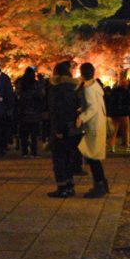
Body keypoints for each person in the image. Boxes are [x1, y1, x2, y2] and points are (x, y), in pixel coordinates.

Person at [46, 60, 81, 198]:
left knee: (59, 158)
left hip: (60, 127)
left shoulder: (56, 89)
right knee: (69, 157)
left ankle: (62, 187)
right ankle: (70, 186)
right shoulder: (74, 88)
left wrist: (58, 130)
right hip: (72, 128)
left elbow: (56, 110)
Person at [76, 62, 109, 198]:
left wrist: (82, 117)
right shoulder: (95, 85)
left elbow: (93, 107)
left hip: (93, 125)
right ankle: (102, 184)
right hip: (99, 123)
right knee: (93, 156)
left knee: (92, 156)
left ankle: (99, 186)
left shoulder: (88, 88)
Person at [15, 66, 43, 157]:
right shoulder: (36, 84)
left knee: (24, 134)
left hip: (23, 112)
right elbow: (40, 96)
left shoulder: (21, 84)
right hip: (34, 112)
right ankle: (34, 152)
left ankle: (24, 152)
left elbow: (17, 96)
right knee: (34, 134)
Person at [106, 75, 130, 152]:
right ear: (125, 84)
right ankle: (127, 146)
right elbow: (129, 102)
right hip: (124, 113)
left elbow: (110, 101)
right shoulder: (127, 91)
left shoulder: (114, 91)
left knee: (114, 131)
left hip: (115, 113)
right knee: (126, 129)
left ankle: (112, 147)